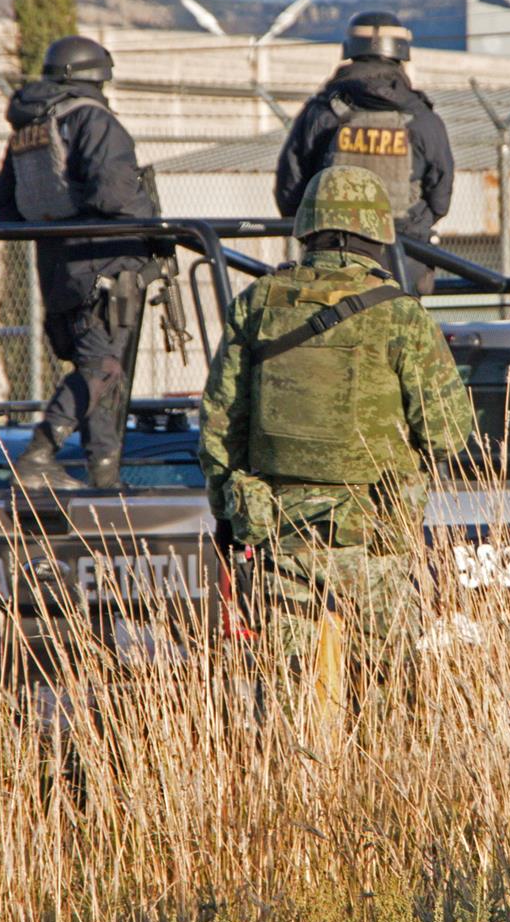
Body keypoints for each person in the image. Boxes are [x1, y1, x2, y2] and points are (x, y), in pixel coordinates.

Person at [199, 164, 474, 705]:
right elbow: (448, 433)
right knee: (388, 704)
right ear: (377, 234)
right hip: (374, 540)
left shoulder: (257, 305)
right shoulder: (400, 317)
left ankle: (289, 791)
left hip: (280, 534)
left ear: (306, 229)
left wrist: (228, 518)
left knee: (284, 705)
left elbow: (220, 424)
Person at [0, 35, 157, 492]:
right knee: (103, 367)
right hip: (104, 262)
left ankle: (104, 478)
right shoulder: (93, 119)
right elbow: (115, 193)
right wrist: (153, 229)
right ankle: (39, 453)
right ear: (97, 76)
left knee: (101, 369)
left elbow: (2, 203)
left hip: (58, 265)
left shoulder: (30, 127)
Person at [273, 11, 455, 293]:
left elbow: (289, 190)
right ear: (401, 54)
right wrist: (407, 232)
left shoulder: (321, 112)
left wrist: (322, 234)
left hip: (329, 265)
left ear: (349, 50)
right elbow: (440, 197)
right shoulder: (422, 118)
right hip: (402, 264)